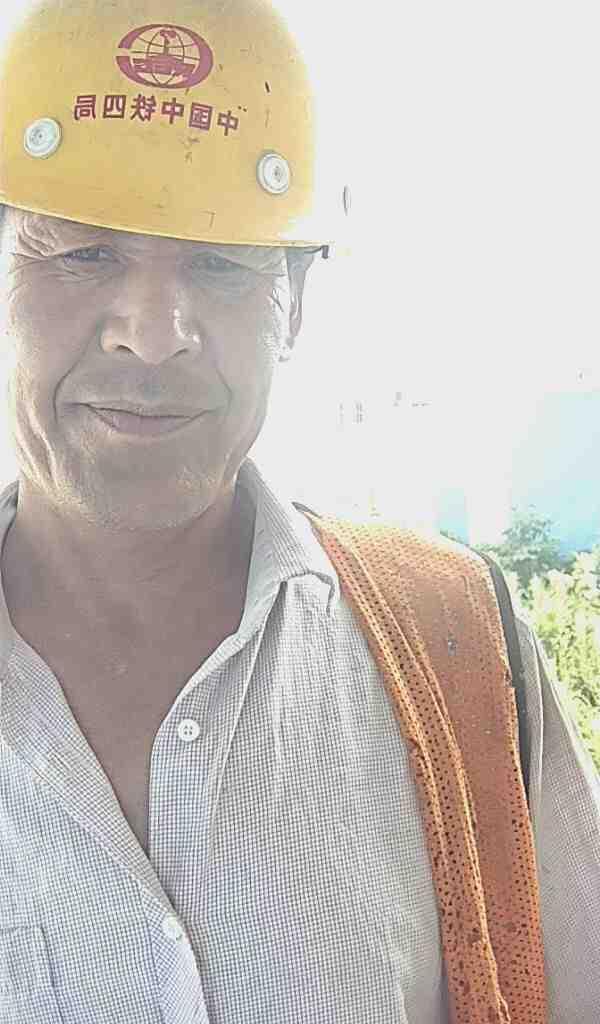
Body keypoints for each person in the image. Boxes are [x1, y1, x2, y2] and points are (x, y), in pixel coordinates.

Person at [0, 2, 598, 1022]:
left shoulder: (459, 647)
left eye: (221, 263)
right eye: (82, 253)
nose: (154, 332)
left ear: (297, 304)